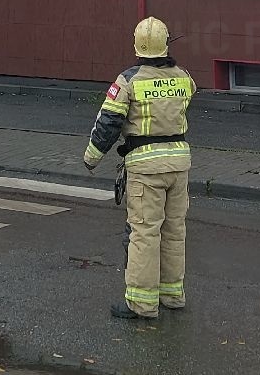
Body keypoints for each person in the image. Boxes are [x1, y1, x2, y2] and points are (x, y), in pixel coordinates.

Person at [83, 16, 195, 321]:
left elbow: (108, 123)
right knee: (174, 232)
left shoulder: (128, 80)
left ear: (138, 47)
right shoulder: (183, 77)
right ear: (165, 44)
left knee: (144, 233)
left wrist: (92, 158)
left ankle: (142, 304)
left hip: (145, 169)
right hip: (179, 163)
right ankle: (172, 294)